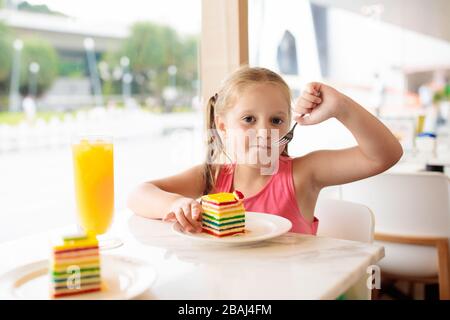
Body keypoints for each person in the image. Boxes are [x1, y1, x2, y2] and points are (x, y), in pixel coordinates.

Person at [127, 67, 403, 234]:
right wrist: (175, 204)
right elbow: (139, 194)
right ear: (222, 126)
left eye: (276, 120)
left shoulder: (303, 174)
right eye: (249, 120)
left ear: (287, 126)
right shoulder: (210, 177)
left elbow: (385, 155)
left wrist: (341, 107)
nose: (264, 132)